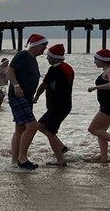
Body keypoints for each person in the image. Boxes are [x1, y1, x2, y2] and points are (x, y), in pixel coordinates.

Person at [8, 34, 48, 170]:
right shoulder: (23, 55)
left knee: (20, 129)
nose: (44, 49)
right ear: (36, 46)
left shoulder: (32, 59)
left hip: (27, 98)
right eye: (43, 46)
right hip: (18, 96)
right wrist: (16, 86)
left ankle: (14, 161)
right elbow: (9, 71)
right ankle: (22, 158)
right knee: (32, 126)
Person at [82, 49, 110, 163]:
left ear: (103, 61)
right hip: (109, 104)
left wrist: (96, 88)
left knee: (92, 129)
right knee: (101, 131)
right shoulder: (107, 70)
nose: (94, 62)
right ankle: (104, 157)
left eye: (96, 60)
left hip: (109, 105)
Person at [31, 44, 72, 167]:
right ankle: (62, 147)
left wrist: (36, 96)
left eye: (48, 56)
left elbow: (44, 85)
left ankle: (60, 161)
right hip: (65, 105)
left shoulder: (55, 69)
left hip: (57, 107)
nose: (47, 59)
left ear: (54, 57)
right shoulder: (68, 68)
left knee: (50, 133)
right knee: (40, 125)